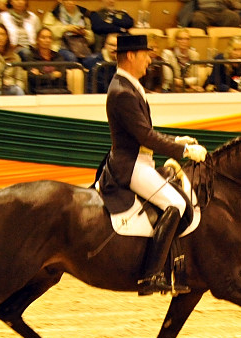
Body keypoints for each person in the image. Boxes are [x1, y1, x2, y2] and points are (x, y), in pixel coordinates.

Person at [98, 34, 207, 296]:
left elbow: (144, 131)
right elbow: (145, 137)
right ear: (131, 56)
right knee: (177, 204)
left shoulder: (130, 85)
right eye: (146, 54)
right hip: (131, 164)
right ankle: (151, 274)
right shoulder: (123, 91)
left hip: (140, 159)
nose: (149, 60)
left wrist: (175, 139)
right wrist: (183, 150)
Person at [161, 28, 205, 92]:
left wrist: (182, 82)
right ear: (176, 40)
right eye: (181, 39)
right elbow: (169, 79)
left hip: (188, 87)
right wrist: (188, 83)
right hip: (170, 88)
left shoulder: (194, 55)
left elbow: (197, 79)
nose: (184, 41)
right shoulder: (167, 54)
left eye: (187, 39)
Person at [28, 26, 70, 94]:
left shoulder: (58, 57)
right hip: (38, 92)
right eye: (43, 38)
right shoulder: (32, 58)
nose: (47, 40)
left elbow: (63, 78)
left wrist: (41, 75)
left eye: (49, 38)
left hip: (59, 91)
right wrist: (53, 75)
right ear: (37, 40)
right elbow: (34, 79)